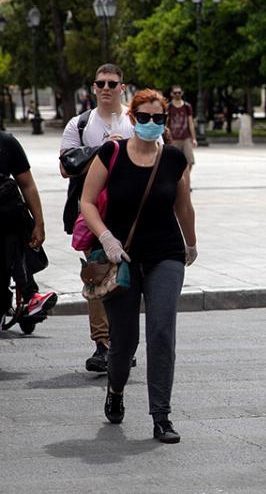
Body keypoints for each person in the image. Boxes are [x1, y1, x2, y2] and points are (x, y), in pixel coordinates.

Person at [80, 88, 197, 444]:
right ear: (133, 119)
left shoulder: (174, 159)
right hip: (122, 259)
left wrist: (190, 243)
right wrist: (107, 239)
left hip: (165, 255)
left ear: (164, 121)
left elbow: (183, 206)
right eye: (143, 118)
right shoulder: (112, 152)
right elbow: (87, 202)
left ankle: (161, 415)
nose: (150, 123)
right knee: (124, 341)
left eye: (157, 119)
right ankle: (115, 390)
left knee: (162, 332)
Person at [59, 63, 134, 373]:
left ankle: (124, 342)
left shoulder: (135, 119)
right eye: (100, 83)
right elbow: (66, 168)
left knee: (128, 280)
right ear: (92, 87)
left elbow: (153, 157)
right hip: (91, 211)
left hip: (130, 211)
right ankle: (103, 344)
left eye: (112, 83)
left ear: (122, 86)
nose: (106, 88)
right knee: (96, 273)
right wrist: (101, 150)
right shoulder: (79, 124)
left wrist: (124, 147)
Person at [0, 131, 57, 322]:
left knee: (16, 232)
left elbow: (27, 184)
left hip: (8, 221)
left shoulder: (6, 142)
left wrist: (39, 223)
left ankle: (29, 296)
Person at [166, 86, 197, 188]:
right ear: (171, 94)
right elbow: (166, 122)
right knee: (173, 162)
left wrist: (194, 138)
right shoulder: (169, 106)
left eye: (179, 92)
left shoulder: (187, 106)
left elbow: (190, 122)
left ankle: (186, 181)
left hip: (185, 137)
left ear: (182, 93)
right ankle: (177, 181)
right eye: (175, 93)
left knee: (190, 161)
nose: (177, 95)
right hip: (173, 138)